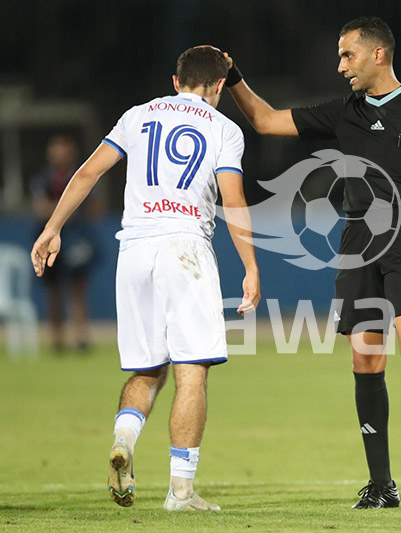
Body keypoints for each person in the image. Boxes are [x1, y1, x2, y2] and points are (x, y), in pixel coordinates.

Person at [224, 16, 401, 508]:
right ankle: (381, 484)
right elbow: (264, 120)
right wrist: (234, 77)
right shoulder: (344, 112)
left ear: (378, 54)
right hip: (358, 243)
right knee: (365, 358)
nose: (340, 65)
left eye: (347, 55)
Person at [31, 45, 261, 511]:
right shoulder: (224, 128)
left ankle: (124, 441)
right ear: (219, 86)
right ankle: (180, 490)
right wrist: (251, 266)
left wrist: (52, 228)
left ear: (176, 81)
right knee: (191, 370)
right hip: (185, 247)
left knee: (147, 368)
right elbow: (233, 198)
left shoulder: (138, 114)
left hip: (133, 248)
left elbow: (89, 171)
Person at [31, 135, 102, 352]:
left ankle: (81, 337)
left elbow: (95, 207)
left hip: (77, 238)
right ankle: (57, 339)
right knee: (53, 290)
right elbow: (40, 207)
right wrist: (67, 211)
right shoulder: (44, 178)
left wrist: (63, 213)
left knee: (78, 288)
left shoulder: (82, 175)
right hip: (50, 237)